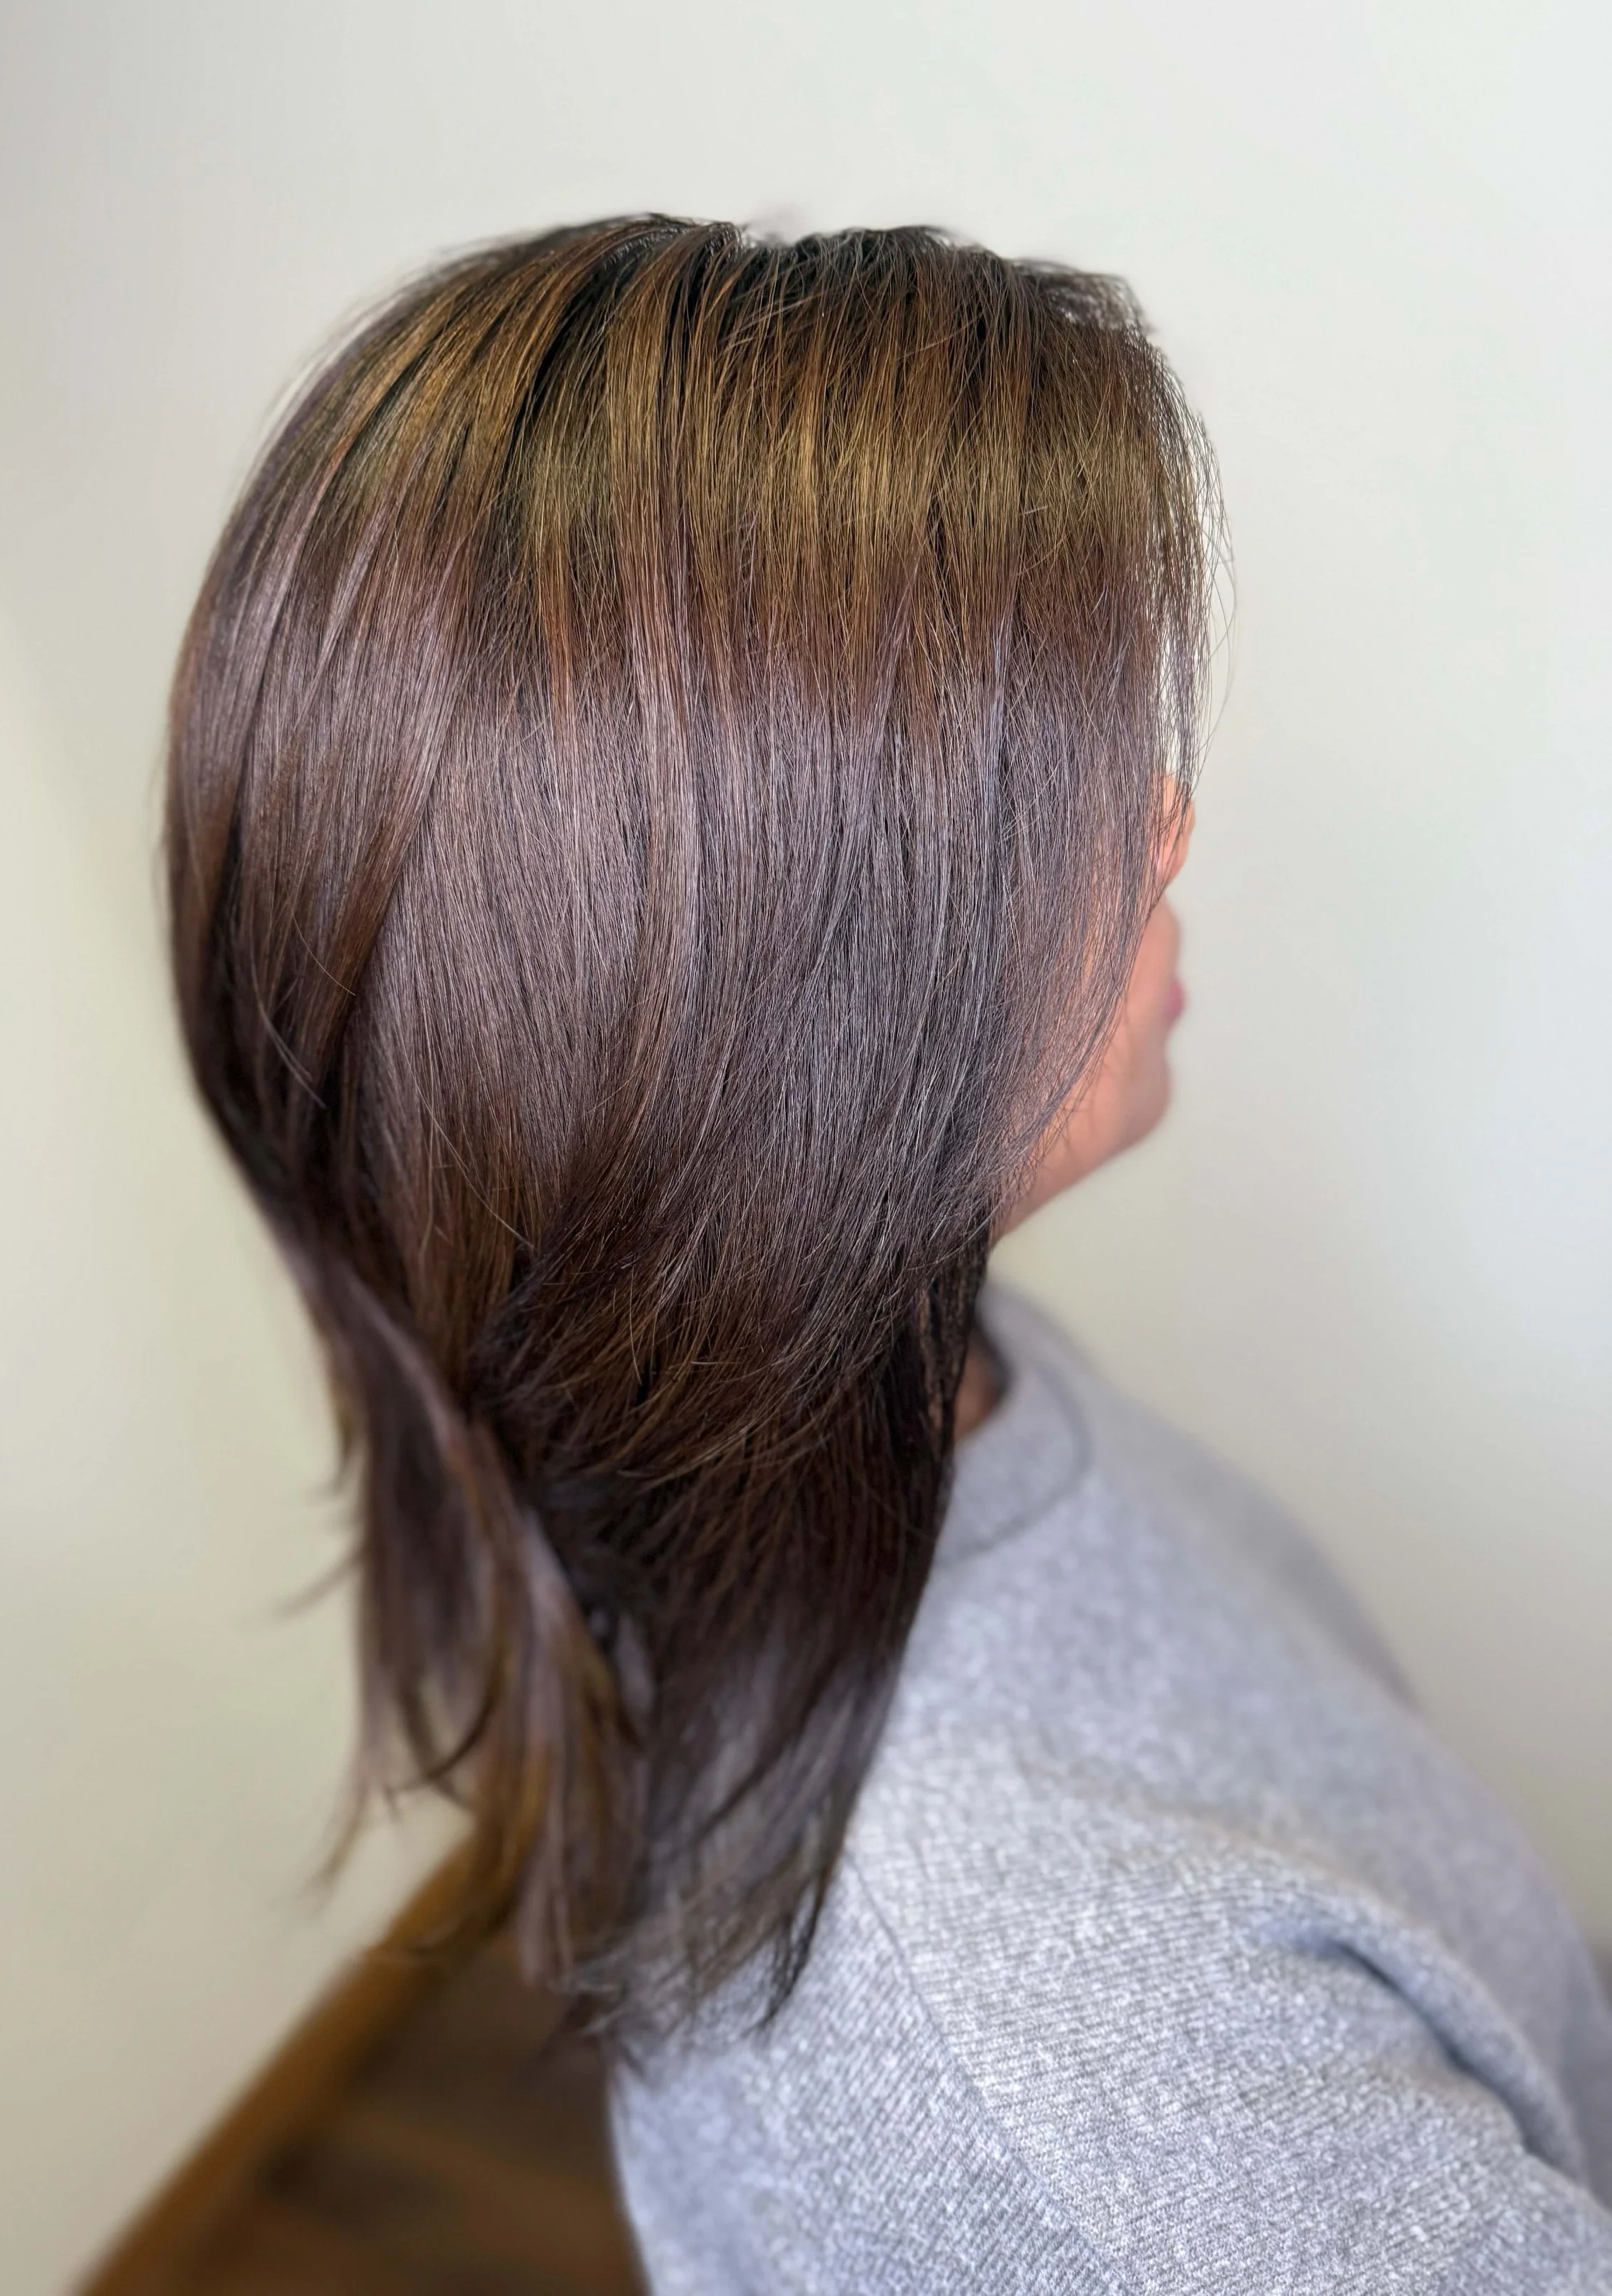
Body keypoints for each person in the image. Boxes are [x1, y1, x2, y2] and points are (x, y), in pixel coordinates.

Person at [164, 216, 1612, 2291]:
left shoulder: (885, 1377)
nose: (1173, 815)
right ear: (767, 1030)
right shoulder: (1106, 2103)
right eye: (1052, 782)